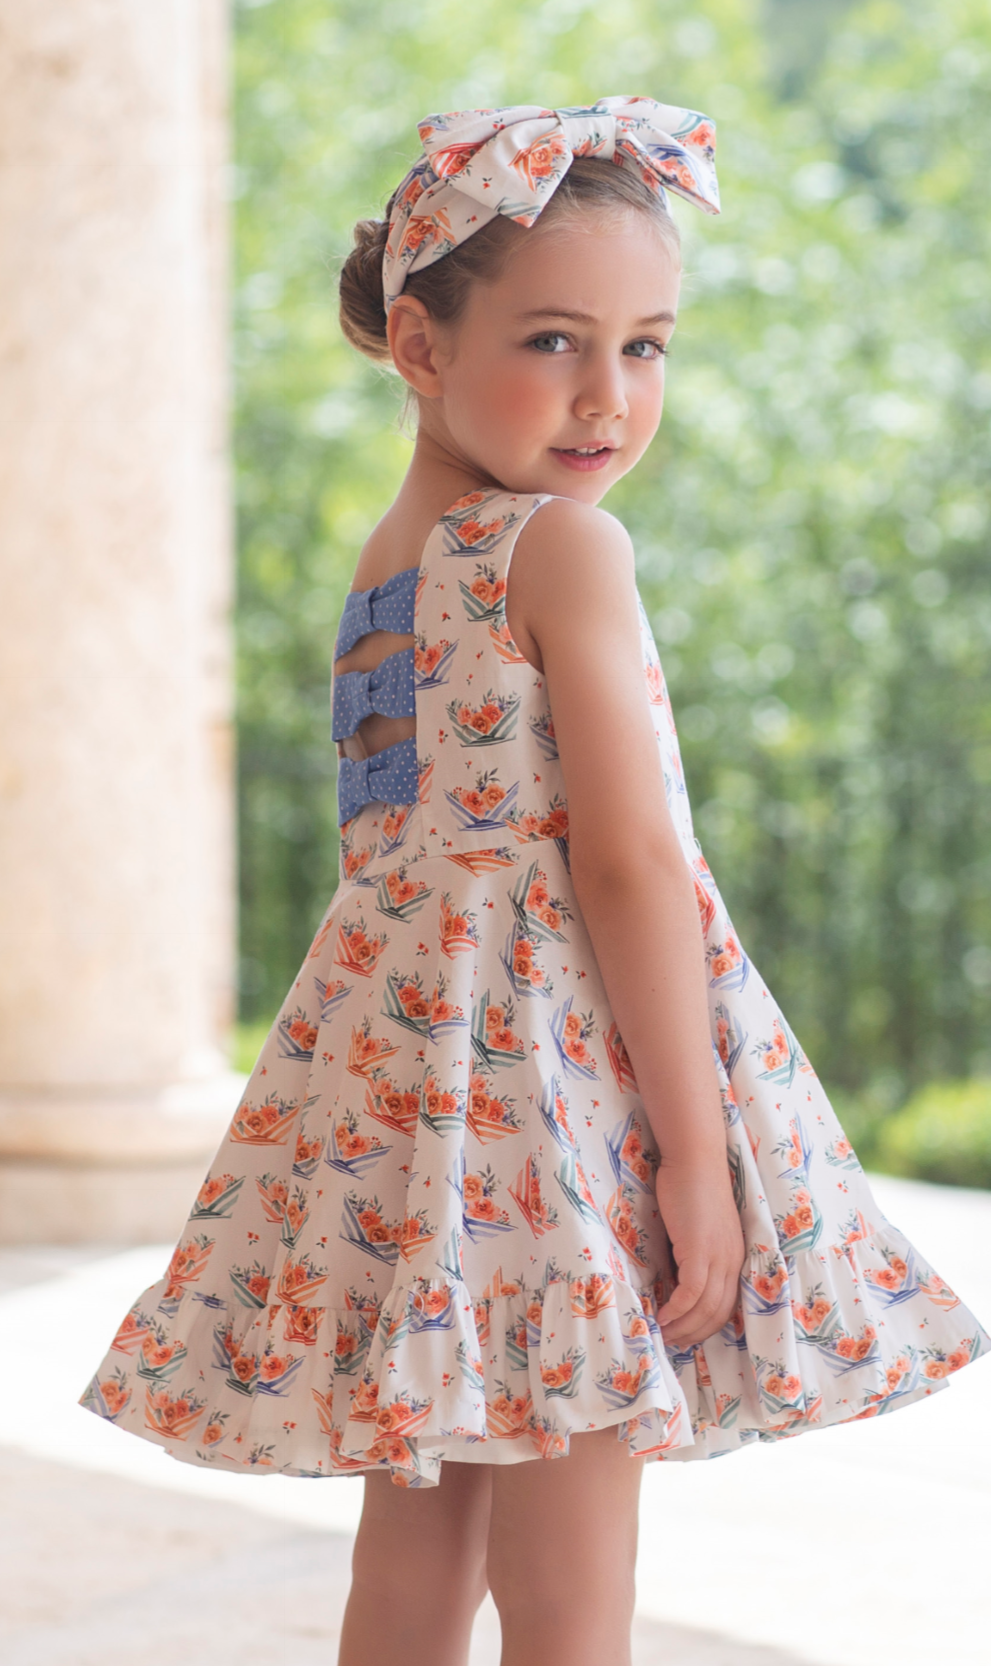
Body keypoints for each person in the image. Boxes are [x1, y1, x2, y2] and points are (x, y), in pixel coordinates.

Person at [79, 98, 988, 1666]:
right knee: (573, 1596)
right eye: (556, 340)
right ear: (419, 345)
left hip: (408, 1105)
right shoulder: (559, 549)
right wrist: (692, 1162)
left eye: (646, 347)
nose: (606, 397)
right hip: (552, 1117)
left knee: (416, 1555)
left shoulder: (384, 565)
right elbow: (627, 865)